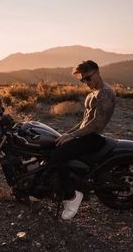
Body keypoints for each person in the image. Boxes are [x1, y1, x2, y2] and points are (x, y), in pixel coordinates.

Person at [50, 60, 116, 220]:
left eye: (88, 78)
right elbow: (85, 121)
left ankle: (72, 196)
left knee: (56, 156)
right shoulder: (94, 92)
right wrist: (66, 133)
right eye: (82, 80)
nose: (86, 83)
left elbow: (97, 123)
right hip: (86, 135)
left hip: (94, 138)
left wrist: (72, 136)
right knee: (51, 145)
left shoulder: (105, 93)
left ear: (97, 72)